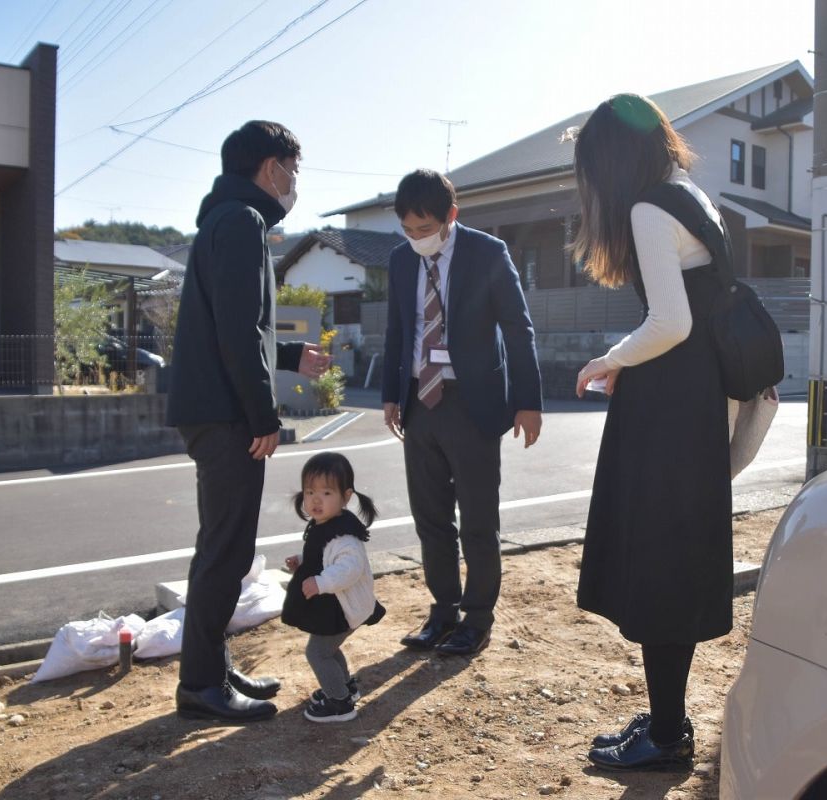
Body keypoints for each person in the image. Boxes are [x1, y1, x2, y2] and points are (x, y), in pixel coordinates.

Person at [570, 95, 733, 770]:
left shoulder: (647, 208)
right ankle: (669, 719)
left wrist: (609, 358)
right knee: (675, 561)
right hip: (691, 400)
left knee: (659, 564)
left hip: (666, 413)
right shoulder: (691, 194)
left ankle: (667, 737)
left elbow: (671, 321)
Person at [166, 120, 331, 723]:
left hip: (213, 406)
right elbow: (237, 331)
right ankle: (201, 687)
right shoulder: (241, 222)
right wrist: (264, 415)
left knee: (225, 548)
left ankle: (210, 668)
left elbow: (237, 328)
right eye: (293, 168)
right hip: (226, 414)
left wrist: (289, 356)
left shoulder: (227, 218)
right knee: (225, 552)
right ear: (271, 169)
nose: (295, 182)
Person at [382, 169, 543, 657]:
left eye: (424, 228)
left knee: (477, 518)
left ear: (450, 216)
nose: (417, 238)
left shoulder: (488, 253)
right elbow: (397, 329)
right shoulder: (399, 261)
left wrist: (528, 401)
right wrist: (392, 391)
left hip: (472, 402)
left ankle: (477, 617)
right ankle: (443, 610)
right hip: (419, 401)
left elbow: (519, 330)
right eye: (408, 230)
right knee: (430, 518)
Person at [281, 452, 385, 723]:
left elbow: (349, 569)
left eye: (326, 493)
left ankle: (339, 703)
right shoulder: (324, 526)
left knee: (317, 652)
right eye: (310, 491)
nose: (316, 500)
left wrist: (322, 582)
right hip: (334, 606)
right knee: (327, 649)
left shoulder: (345, 537)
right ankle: (344, 687)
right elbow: (322, 556)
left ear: (346, 496)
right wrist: (302, 562)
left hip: (344, 607)